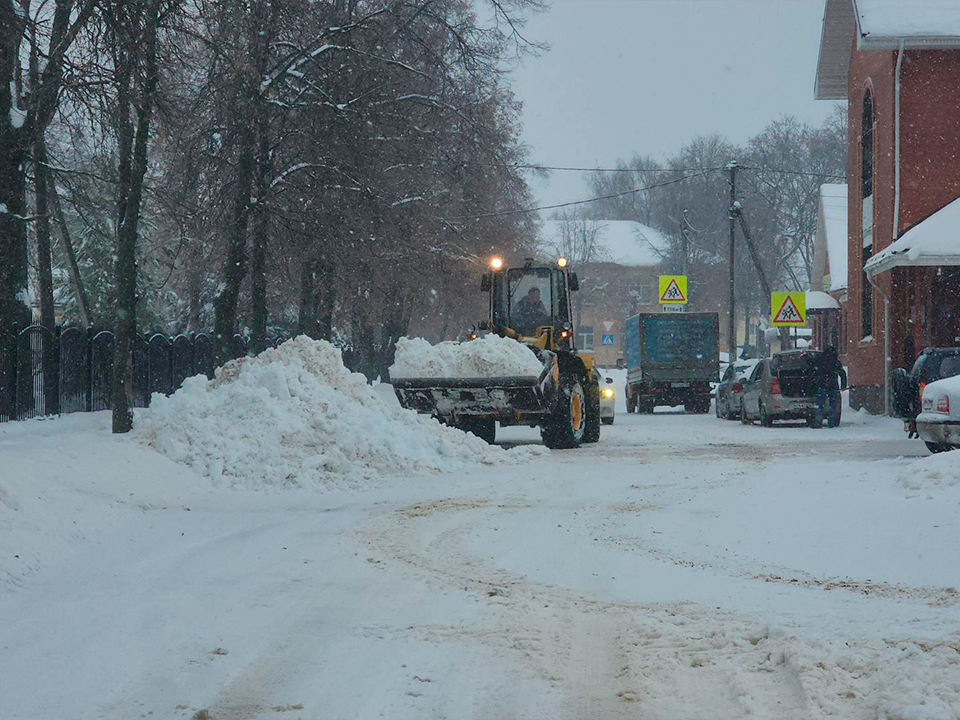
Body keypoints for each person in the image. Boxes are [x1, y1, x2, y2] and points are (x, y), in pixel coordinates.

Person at [812, 345, 847, 428]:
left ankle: (818, 423)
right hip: (833, 386)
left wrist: (805, 357)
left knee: (820, 405)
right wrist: (843, 385)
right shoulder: (836, 363)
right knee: (833, 405)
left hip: (822, 385)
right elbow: (842, 374)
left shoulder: (820, 361)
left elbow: (811, 362)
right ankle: (832, 423)